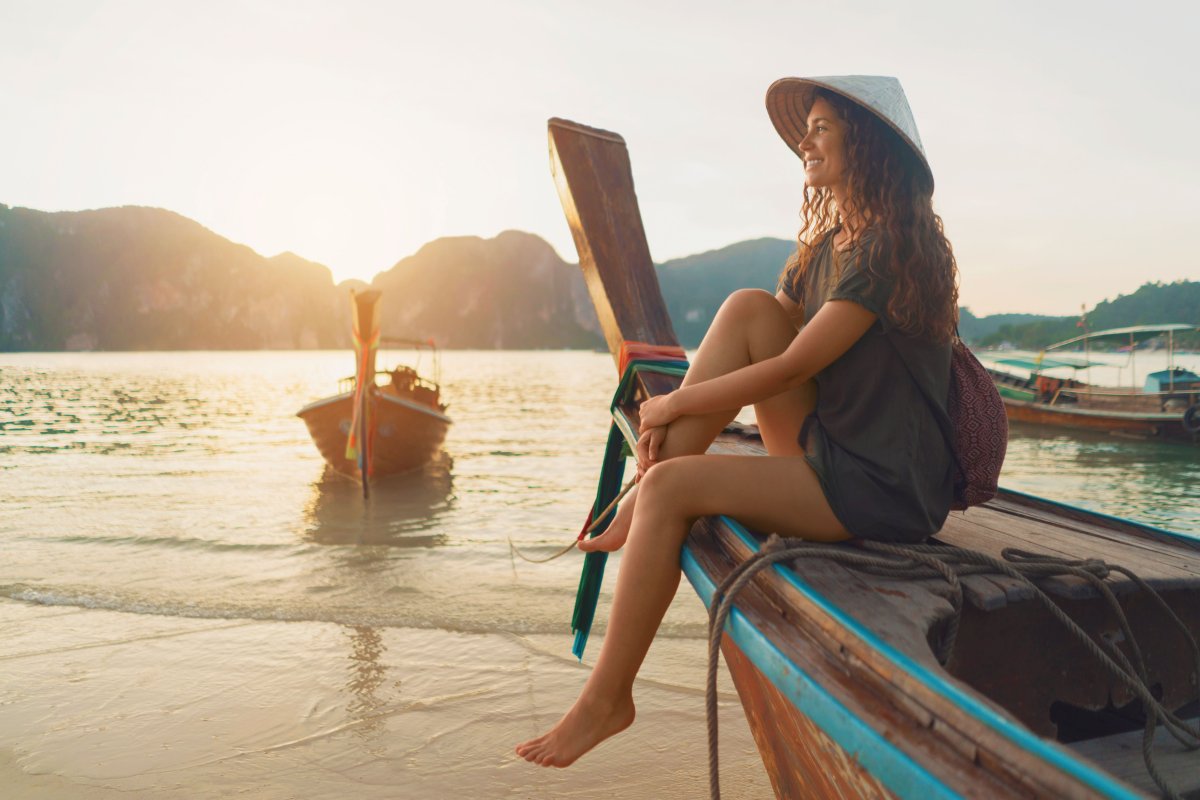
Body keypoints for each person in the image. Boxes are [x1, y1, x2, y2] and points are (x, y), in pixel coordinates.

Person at [516, 75, 959, 768]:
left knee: (672, 491)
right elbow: (758, 338)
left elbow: (789, 369)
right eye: (806, 129)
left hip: (879, 484)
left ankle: (608, 698)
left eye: (822, 128)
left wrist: (672, 404)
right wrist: (679, 413)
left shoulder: (889, 248)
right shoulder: (826, 248)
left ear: (867, 145)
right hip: (830, 448)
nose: (806, 142)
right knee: (749, 306)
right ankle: (648, 489)